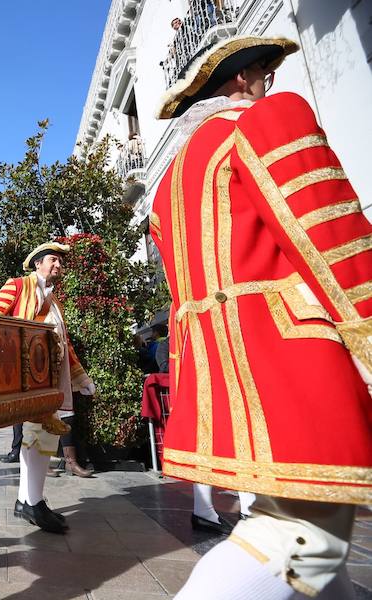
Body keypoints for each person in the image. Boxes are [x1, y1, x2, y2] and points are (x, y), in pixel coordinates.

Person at [153, 35, 371, 599]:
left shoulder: (173, 178)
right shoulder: (265, 120)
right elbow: (331, 238)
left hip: (225, 374)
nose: (267, 86)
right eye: (262, 76)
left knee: (321, 561)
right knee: (305, 538)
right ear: (243, 78)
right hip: (293, 360)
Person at [0, 242, 97, 534]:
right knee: (40, 433)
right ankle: (34, 502)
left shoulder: (56, 303)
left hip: (52, 377)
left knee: (41, 435)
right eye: (52, 260)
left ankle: (26, 500)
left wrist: (81, 377)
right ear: (37, 264)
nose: (58, 265)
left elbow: (66, 344)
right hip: (25, 375)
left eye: (60, 261)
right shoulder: (18, 286)